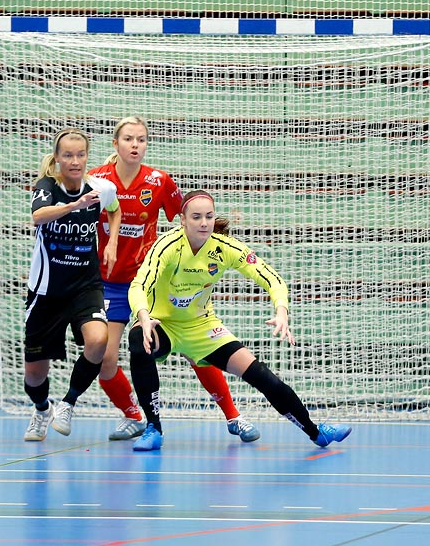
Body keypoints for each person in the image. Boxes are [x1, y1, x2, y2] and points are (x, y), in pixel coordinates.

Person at [125, 188, 351, 452]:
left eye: (209, 216)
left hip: (202, 327)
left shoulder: (224, 248)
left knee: (263, 376)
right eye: (196, 217)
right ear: (182, 220)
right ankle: (154, 427)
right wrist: (143, 316)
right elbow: (139, 284)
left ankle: (316, 432)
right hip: (162, 324)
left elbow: (271, 278)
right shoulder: (167, 246)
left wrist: (281, 310)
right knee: (138, 341)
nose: (204, 222)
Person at [88, 117, 257, 444]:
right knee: (105, 360)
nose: (135, 145)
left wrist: (214, 228)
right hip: (109, 283)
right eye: (128, 139)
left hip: (152, 282)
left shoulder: (159, 180)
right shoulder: (98, 181)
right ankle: (134, 415)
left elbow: (189, 216)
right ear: (115, 144)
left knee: (197, 351)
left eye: (141, 139)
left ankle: (234, 416)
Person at [22, 128, 117, 442]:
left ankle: (69, 402)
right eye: (68, 155)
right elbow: (39, 216)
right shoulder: (47, 186)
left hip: (84, 286)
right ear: (58, 158)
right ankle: (41, 409)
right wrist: (75, 206)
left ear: (87, 157)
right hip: (46, 291)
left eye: (80, 155)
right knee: (35, 375)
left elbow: (114, 210)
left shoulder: (100, 188)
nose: (75, 161)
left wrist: (111, 241)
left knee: (99, 341)